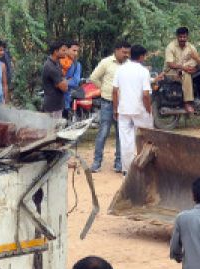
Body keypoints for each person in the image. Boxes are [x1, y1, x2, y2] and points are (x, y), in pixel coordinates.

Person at [88, 41, 130, 172]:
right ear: (116, 50)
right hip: (107, 102)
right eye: (124, 52)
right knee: (103, 133)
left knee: (120, 134)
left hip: (123, 104)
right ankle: (96, 163)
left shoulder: (129, 65)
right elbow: (94, 77)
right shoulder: (106, 62)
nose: (126, 55)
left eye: (128, 52)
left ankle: (119, 164)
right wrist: (104, 89)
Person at [111, 44, 152, 166]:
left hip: (123, 110)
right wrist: (149, 110)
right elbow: (145, 94)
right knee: (146, 139)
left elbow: (114, 91)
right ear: (141, 57)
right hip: (140, 109)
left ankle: (127, 170)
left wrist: (115, 109)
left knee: (126, 141)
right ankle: (145, 166)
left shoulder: (120, 69)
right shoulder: (143, 71)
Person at [163, 27, 200, 114]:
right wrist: (184, 68)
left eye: (184, 37)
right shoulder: (170, 47)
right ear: (177, 37)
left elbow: (198, 61)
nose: (182, 39)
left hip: (186, 70)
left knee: (195, 67)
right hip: (170, 72)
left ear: (187, 37)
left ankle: (199, 99)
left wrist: (194, 70)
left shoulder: (191, 47)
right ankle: (187, 102)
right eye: (180, 37)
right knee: (185, 73)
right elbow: (170, 64)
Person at [41, 41, 68, 118]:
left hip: (57, 105)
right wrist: (64, 80)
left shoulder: (57, 62)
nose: (66, 52)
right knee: (53, 129)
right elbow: (64, 88)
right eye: (63, 50)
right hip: (52, 107)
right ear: (56, 51)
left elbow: (62, 79)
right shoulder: (50, 67)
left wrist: (63, 80)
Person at [63, 40, 83, 117]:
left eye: (77, 51)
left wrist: (61, 82)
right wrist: (67, 80)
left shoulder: (77, 65)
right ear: (67, 49)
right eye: (74, 50)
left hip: (66, 103)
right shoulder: (57, 61)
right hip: (53, 101)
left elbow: (75, 81)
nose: (76, 53)